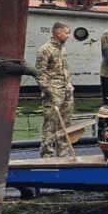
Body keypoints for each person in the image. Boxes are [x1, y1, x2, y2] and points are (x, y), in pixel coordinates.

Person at [36, 22, 74, 158]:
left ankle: (62, 151)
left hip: (66, 90)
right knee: (51, 123)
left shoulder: (62, 49)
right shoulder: (45, 50)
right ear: (59, 33)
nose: (69, 36)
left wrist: (69, 86)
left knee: (66, 123)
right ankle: (47, 152)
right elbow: (40, 72)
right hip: (53, 92)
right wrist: (48, 90)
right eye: (67, 33)